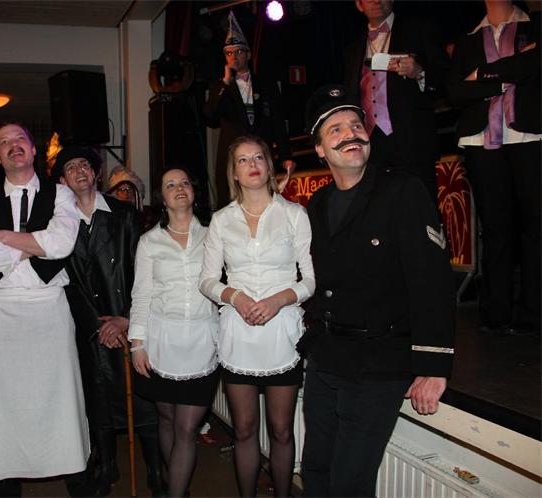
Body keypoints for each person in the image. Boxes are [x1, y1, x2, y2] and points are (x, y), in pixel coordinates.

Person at [299, 85, 455, 497]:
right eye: (335, 130)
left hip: (378, 363)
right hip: (326, 358)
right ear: (320, 149)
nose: (350, 134)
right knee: (315, 471)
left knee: (349, 484)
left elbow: (432, 281)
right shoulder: (317, 204)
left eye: (356, 125)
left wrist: (434, 365)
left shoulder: (402, 190)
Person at [0, 123, 89, 497]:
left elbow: (62, 244)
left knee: (60, 397)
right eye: (4, 142)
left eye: (20, 139)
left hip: (49, 310)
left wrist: (4, 238)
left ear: (33, 150)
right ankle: (5, 479)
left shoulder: (61, 194)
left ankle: (74, 474)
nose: (13, 145)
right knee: (0, 403)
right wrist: (34, 245)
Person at [199, 135, 315, 498]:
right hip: (239, 335)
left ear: (268, 165)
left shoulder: (294, 214)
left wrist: (279, 300)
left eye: (258, 158)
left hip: (282, 335)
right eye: (243, 160)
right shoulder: (221, 220)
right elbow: (207, 281)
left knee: (281, 430)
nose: (252, 165)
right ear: (233, 172)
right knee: (245, 430)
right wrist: (235, 296)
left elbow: (311, 279)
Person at [52, 146, 163, 497]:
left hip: (127, 318)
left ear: (97, 173)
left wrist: (126, 318)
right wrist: (97, 325)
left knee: (143, 399)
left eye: (85, 164)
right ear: (62, 180)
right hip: (90, 326)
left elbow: (142, 270)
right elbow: (65, 281)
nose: (79, 171)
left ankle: (156, 470)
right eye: (71, 167)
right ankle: (106, 465)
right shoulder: (58, 223)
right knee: (97, 398)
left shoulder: (123, 213)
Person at [447, 0, 540, 336]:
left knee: (536, 226)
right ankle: (495, 313)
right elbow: (455, 91)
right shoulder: (469, 38)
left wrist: (482, 75)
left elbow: (535, 65)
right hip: (480, 138)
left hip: (530, 134)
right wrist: (504, 79)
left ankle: (533, 313)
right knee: (495, 228)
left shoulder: (535, 24)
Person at [129, 167, 219, 497]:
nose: (179, 187)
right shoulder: (149, 242)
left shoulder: (214, 236)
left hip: (202, 343)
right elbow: (141, 295)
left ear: (193, 192)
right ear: (162, 198)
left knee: (187, 428)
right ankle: (176, 484)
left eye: (184, 182)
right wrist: (137, 344)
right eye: (170, 184)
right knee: (166, 420)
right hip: (160, 343)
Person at [342, 0, 449, 203]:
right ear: (359, 5)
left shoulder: (418, 30)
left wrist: (420, 72)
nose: (376, 1)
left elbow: (446, 77)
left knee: (421, 206)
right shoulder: (353, 48)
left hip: (412, 138)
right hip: (371, 142)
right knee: (380, 208)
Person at [204, 11, 293, 209]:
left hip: (261, 155)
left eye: (238, 52)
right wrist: (225, 83)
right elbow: (210, 118)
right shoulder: (220, 87)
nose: (234, 57)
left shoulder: (266, 84)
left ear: (248, 54)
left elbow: (278, 122)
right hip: (233, 158)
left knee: (266, 202)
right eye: (229, 53)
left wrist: (286, 155)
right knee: (230, 204)